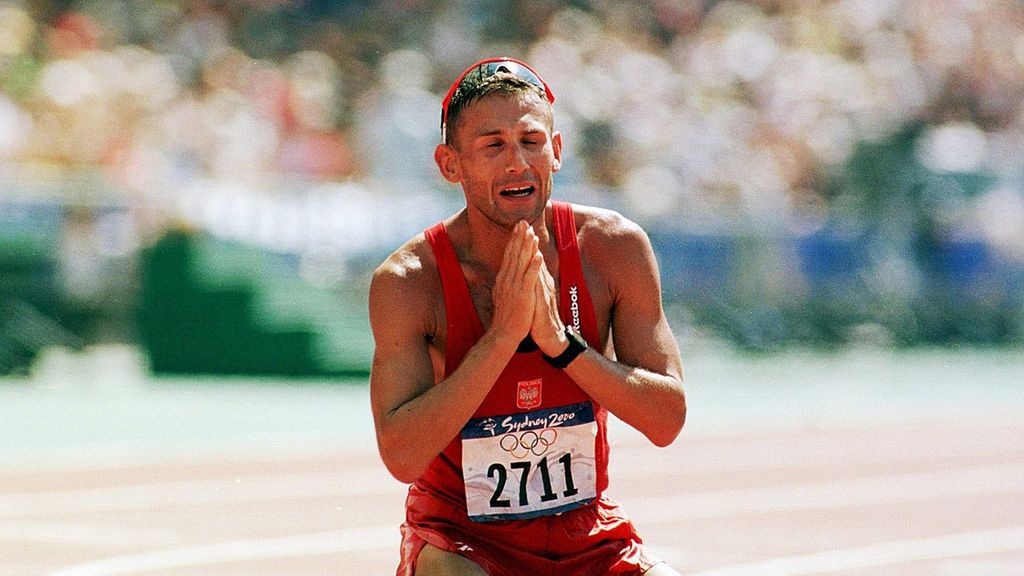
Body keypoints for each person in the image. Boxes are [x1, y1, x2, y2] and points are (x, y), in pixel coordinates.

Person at [369, 57, 686, 576]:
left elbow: (667, 419)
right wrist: (500, 340)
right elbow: (401, 456)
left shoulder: (613, 249)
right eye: (493, 145)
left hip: (591, 539)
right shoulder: (408, 282)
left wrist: (561, 344)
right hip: (462, 541)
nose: (517, 162)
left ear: (556, 152)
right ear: (451, 165)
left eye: (531, 141)